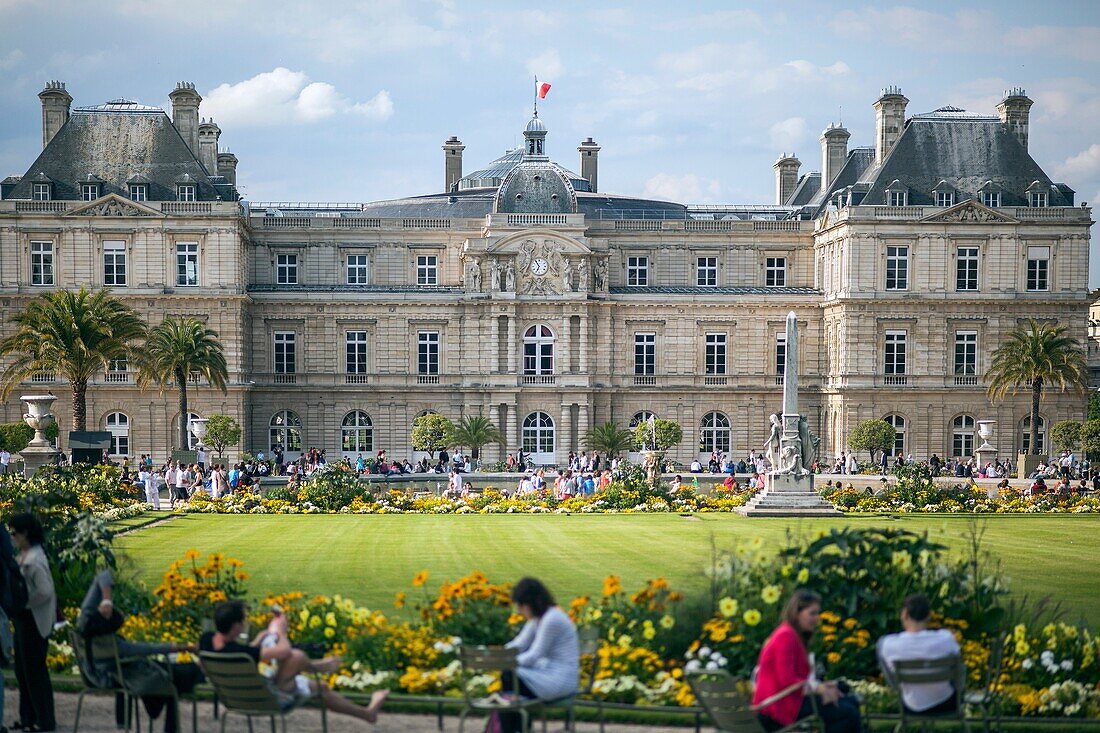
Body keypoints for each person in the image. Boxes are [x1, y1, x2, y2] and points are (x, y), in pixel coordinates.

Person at [201, 600, 388, 723]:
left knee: (320, 687)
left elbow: (245, 651)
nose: (244, 624)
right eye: (243, 622)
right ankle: (319, 666)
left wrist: (259, 639)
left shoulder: (207, 641)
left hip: (234, 699)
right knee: (295, 656)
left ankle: (367, 713)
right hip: (265, 700)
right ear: (235, 626)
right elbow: (284, 651)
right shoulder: (243, 652)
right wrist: (281, 631)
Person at [77, 570, 200, 732]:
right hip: (112, 676)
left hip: (92, 673)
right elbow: (149, 649)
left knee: (165, 673)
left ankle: (125, 722)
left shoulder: (84, 624)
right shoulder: (117, 646)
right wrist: (186, 647)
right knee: (172, 685)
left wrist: (107, 600)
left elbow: (102, 575)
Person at [753, 589, 860, 733]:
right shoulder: (785, 636)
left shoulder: (790, 634)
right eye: (812, 613)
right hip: (777, 707)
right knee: (847, 713)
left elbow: (795, 680)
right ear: (797, 613)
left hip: (787, 701)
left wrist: (823, 687)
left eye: (818, 613)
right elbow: (786, 680)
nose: (817, 618)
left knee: (850, 702)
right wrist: (819, 689)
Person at [501, 578, 579, 733]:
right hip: (547, 673)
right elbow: (519, 644)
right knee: (509, 683)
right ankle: (519, 728)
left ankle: (517, 728)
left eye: (521, 605)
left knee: (510, 678)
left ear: (531, 603)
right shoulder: (538, 619)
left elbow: (534, 655)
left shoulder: (552, 619)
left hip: (560, 679)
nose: (519, 611)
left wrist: (505, 662)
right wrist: (497, 655)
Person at [877, 594, 961, 715]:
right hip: (948, 703)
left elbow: (891, 678)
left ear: (905, 614)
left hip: (911, 706)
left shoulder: (887, 644)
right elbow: (959, 670)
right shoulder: (946, 638)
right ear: (928, 616)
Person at [11, 513, 57, 732]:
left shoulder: (34, 559)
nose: (12, 537)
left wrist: (25, 603)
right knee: (23, 671)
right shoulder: (27, 554)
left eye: (15, 533)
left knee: (34, 672)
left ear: (25, 533)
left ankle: (44, 719)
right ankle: (28, 717)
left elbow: (45, 591)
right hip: (25, 620)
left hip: (33, 620)